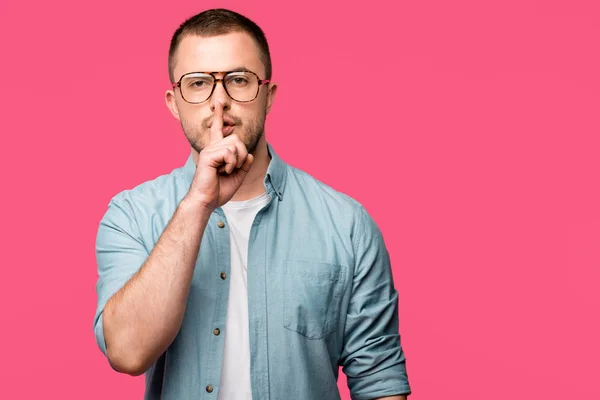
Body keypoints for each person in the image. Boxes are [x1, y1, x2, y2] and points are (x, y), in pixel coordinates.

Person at [93, 8, 411, 400]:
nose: (219, 102)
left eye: (239, 80)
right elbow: (126, 352)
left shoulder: (346, 224)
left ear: (268, 96)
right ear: (174, 102)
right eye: (198, 84)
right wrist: (199, 202)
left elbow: (379, 378)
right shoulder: (132, 215)